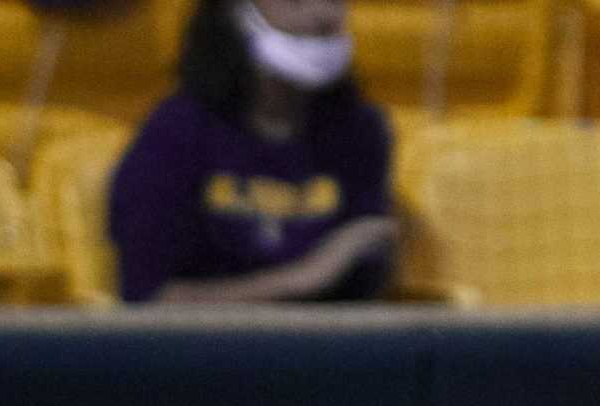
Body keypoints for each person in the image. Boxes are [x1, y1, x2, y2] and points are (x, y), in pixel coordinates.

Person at [107, 0, 395, 304]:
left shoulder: (360, 131)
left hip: (324, 346)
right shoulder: (176, 133)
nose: (324, 16)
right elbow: (149, 299)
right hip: (202, 346)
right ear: (236, 12)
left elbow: (364, 282)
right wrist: (303, 277)